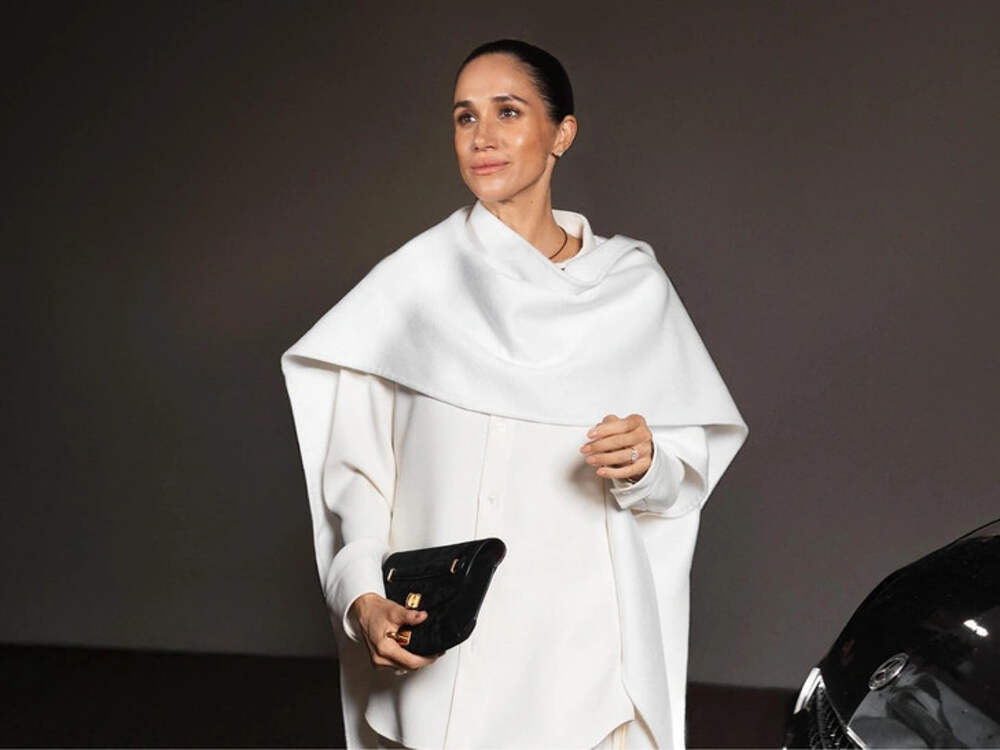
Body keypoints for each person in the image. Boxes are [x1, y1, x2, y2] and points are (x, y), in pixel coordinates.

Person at [281, 39, 749, 749]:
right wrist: (363, 598)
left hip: (579, 665)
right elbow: (358, 475)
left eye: (507, 111)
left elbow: (678, 479)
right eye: (465, 117)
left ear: (562, 133)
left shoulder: (629, 289)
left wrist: (646, 461)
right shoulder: (411, 286)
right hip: (445, 662)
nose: (482, 137)